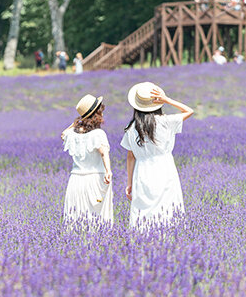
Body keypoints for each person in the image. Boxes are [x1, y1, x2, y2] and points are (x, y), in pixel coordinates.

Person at [122, 82, 194, 228]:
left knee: (143, 214)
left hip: (142, 172)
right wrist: (166, 99)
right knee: (168, 209)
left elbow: (130, 157)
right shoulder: (166, 121)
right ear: (156, 104)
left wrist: (129, 183)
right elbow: (189, 111)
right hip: (165, 169)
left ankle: (143, 246)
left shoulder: (131, 128)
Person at [60, 94, 113, 224]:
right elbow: (103, 153)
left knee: (76, 217)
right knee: (98, 219)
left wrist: (73, 124)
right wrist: (108, 170)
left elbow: (63, 134)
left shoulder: (72, 134)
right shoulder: (98, 134)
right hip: (95, 179)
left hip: (76, 180)